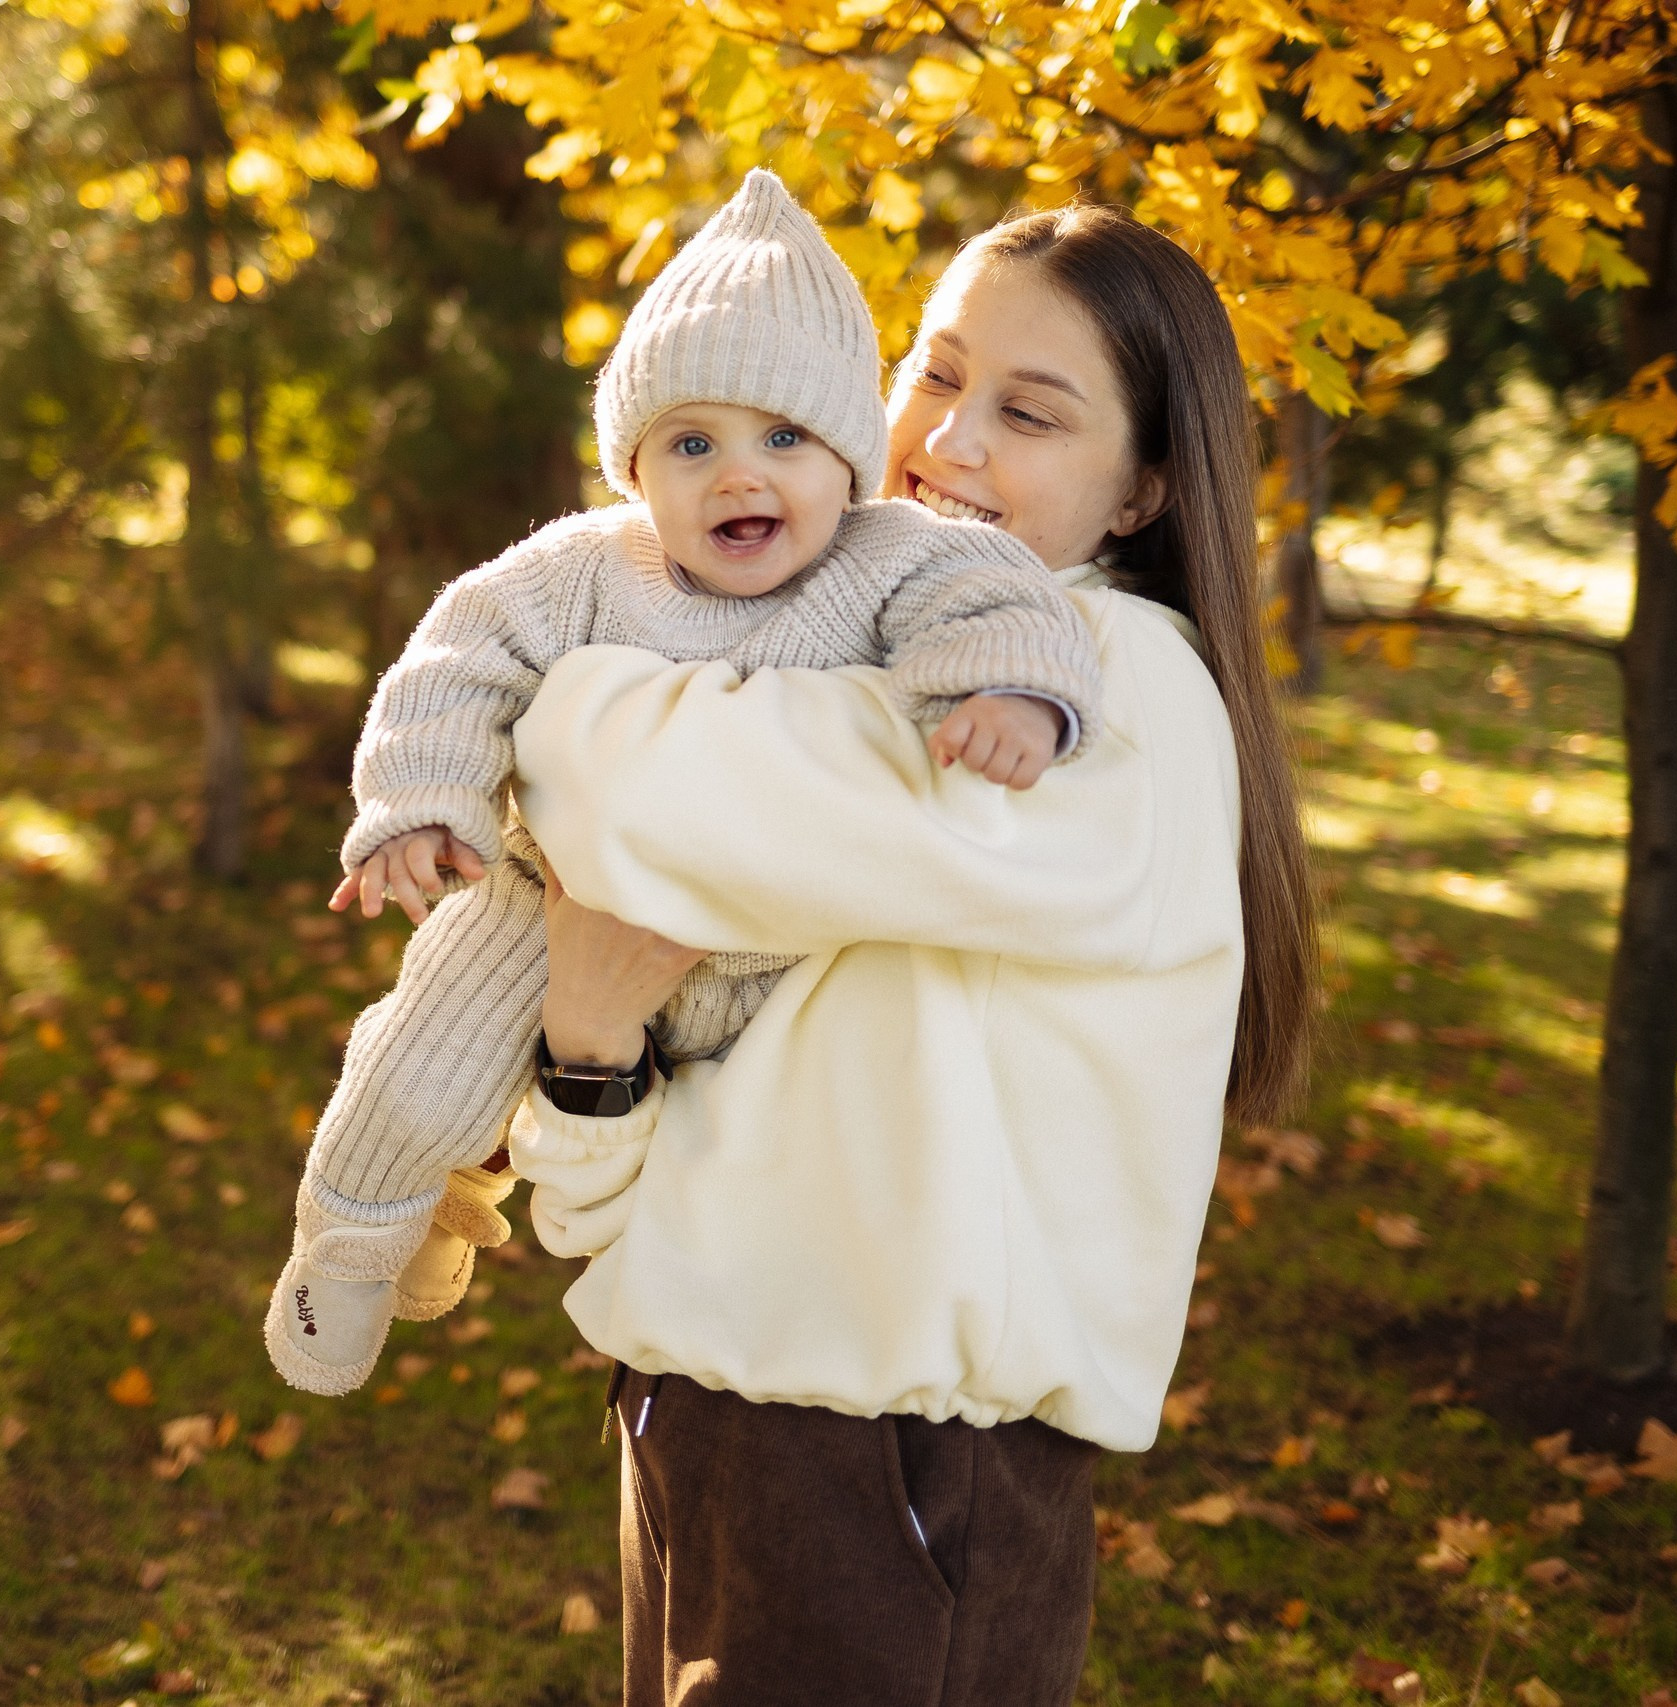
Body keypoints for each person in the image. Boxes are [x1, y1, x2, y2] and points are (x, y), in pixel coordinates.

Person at [503, 202, 1319, 1706]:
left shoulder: (1092, 695)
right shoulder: (854, 657)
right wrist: (592, 1059)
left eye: (1030, 410)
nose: (947, 439)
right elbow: (629, 1158)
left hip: (887, 1469)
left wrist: (552, 683)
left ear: (1143, 487)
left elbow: (610, 776)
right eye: (934, 374)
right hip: (707, 1421)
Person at [265, 171, 1106, 1398]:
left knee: (752, 1156)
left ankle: (518, 1199)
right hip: (544, 910)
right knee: (423, 1065)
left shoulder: (895, 556)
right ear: (634, 465)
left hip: (779, 968)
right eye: (692, 442)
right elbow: (456, 656)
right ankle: (347, 1253)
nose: (737, 476)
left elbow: (994, 598)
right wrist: (418, 806)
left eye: (783, 439)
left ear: (850, 462)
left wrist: (1010, 693)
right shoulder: (589, 566)